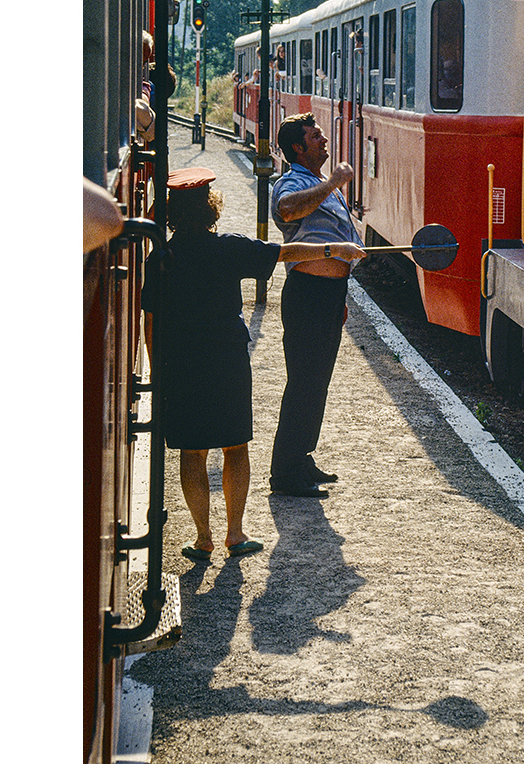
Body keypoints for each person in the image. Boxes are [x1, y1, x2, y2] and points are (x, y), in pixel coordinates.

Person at [142, 166, 364, 561]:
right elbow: (285, 253)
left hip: (181, 362)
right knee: (235, 446)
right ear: (211, 209)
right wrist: (334, 249)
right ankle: (235, 533)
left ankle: (202, 538)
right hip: (226, 359)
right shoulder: (228, 247)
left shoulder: (162, 256)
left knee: (191, 452)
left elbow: (151, 319)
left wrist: (158, 372)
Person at [269, 113, 365, 497]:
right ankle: (285, 474)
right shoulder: (293, 181)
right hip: (307, 292)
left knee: (317, 384)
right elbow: (287, 210)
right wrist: (334, 182)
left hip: (328, 296)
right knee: (304, 384)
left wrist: (340, 293)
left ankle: (302, 457)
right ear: (298, 147)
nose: (324, 141)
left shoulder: (322, 185)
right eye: (316, 136)